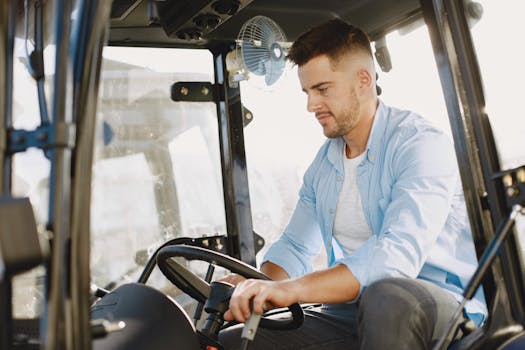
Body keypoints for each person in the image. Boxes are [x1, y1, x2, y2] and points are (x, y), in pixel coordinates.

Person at [218, 18, 486, 350]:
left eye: (322, 89)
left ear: (363, 80)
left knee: (387, 297)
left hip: (436, 308)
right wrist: (252, 286)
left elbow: (395, 259)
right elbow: (296, 247)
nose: (310, 105)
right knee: (236, 340)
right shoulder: (324, 164)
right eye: (306, 92)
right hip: (355, 310)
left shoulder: (419, 145)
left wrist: (294, 290)